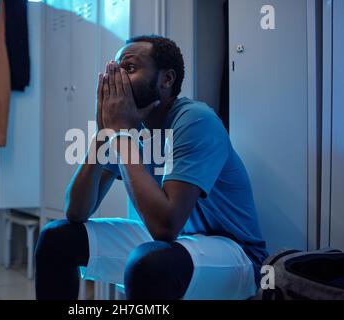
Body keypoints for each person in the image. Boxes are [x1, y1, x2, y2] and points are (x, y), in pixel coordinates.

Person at [35, 35, 268, 300]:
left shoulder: (194, 120)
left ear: (166, 80)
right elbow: (76, 211)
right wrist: (102, 133)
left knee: (149, 263)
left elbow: (165, 226)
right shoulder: (131, 126)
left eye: (130, 69)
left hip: (234, 253)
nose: (118, 79)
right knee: (55, 238)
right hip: (174, 241)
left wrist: (121, 133)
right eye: (116, 69)